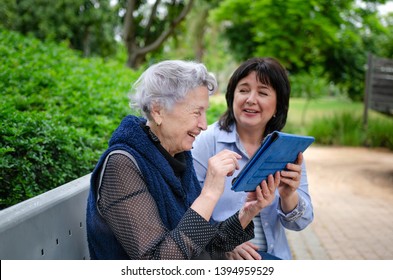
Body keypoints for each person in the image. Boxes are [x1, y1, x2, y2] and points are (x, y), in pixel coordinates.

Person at [86, 60, 280, 260]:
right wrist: (209, 194)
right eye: (197, 112)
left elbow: (204, 243)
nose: (204, 125)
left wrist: (247, 213)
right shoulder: (121, 166)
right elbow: (160, 265)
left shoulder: (177, 155)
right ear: (158, 110)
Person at [192, 57, 314, 260]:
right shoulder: (205, 141)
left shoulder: (287, 149)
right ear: (232, 96)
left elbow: (301, 222)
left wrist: (288, 195)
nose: (250, 99)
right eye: (244, 90)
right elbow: (187, 211)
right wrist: (224, 241)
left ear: (278, 105)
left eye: (263, 93)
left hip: (275, 257)